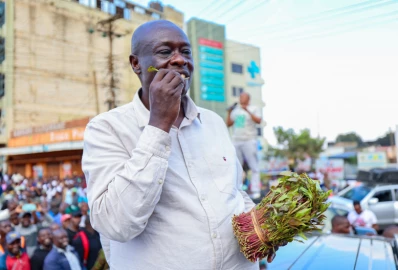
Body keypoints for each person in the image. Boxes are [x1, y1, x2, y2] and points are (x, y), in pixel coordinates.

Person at [82, 20, 281, 269]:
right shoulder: (107, 129)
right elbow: (116, 224)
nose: (179, 60)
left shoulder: (214, 122)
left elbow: (233, 191)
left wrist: (258, 227)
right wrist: (158, 125)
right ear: (136, 64)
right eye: (165, 52)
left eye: (185, 52)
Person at [226, 92, 262, 199]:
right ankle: (238, 189)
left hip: (249, 140)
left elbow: (258, 120)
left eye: (243, 97)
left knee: (253, 166)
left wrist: (247, 110)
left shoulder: (254, 108)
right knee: (236, 166)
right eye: (240, 97)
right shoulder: (236, 110)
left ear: (248, 98)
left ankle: (256, 190)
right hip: (236, 140)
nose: (241, 98)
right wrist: (229, 112)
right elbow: (228, 124)